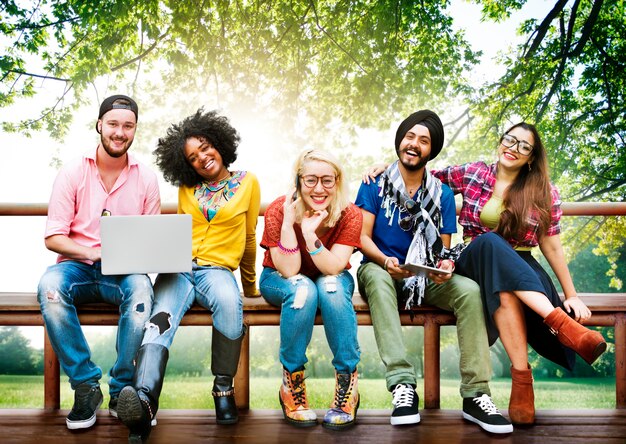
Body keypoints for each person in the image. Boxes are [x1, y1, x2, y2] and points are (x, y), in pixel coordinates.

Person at [428, 123, 606, 424]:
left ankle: (522, 383)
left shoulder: (544, 191)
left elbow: (551, 246)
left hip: (521, 267)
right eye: (510, 140)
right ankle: (563, 326)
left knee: (506, 288)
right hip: (473, 260)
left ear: (532, 157)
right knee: (489, 242)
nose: (514, 148)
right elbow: (422, 177)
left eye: (524, 146)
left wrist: (572, 294)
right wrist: (387, 166)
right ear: (501, 142)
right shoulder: (473, 172)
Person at [356, 110, 513, 434]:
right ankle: (402, 386)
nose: (414, 144)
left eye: (423, 140)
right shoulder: (375, 183)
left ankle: (476, 394)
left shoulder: (440, 193)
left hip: (422, 277)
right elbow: (362, 237)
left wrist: (443, 267)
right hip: (382, 269)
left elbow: (442, 249)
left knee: (469, 291)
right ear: (400, 140)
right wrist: (385, 260)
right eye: (410, 136)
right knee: (374, 275)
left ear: (432, 150)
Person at [116, 109, 260, 443]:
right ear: (186, 165)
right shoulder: (186, 188)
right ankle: (144, 402)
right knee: (159, 319)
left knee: (229, 301)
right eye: (193, 158)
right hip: (178, 268)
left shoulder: (248, 182)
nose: (202, 158)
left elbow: (250, 236)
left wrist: (250, 285)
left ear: (220, 143)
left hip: (217, 269)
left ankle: (223, 389)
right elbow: (178, 233)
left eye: (206, 148)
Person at [37, 95, 160, 430]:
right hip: (76, 266)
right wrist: (92, 252)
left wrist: (139, 255)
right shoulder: (73, 172)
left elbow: (150, 243)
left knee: (141, 290)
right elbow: (53, 238)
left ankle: (122, 389)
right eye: (113, 124)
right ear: (99, 125)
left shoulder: (147, 179)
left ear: (134, 129)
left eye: (128, 126)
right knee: (49, 287)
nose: (120, 132)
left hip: (122, 272)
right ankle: (86, 386)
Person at [259, 149, 362, 430]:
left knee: (330, 288)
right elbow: (289, 270)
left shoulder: (350, 214)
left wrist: (309, 234)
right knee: (302, 290)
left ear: (338, 182)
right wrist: (292, 224)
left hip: (329, 273)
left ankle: (347, 384)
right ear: (298, 181)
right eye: (311, 180)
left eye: (327, 180)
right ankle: (291, 382)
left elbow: (334, 267)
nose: (319, 189)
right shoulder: (279, 209)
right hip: (278, 276)